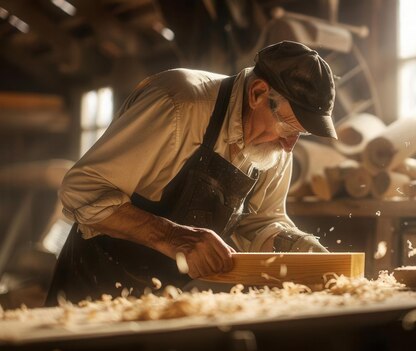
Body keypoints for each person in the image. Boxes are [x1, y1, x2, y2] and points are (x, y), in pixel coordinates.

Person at [45, 41, 337, 305]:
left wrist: (296, 245)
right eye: (288, 127)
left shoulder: (272, 150)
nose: (289, 146)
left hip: (168, 303)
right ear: (257, 93)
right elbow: (80, 189)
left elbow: (263, 221)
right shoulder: (179, 103)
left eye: (301, 133)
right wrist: (173, 236)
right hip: (92, 292)